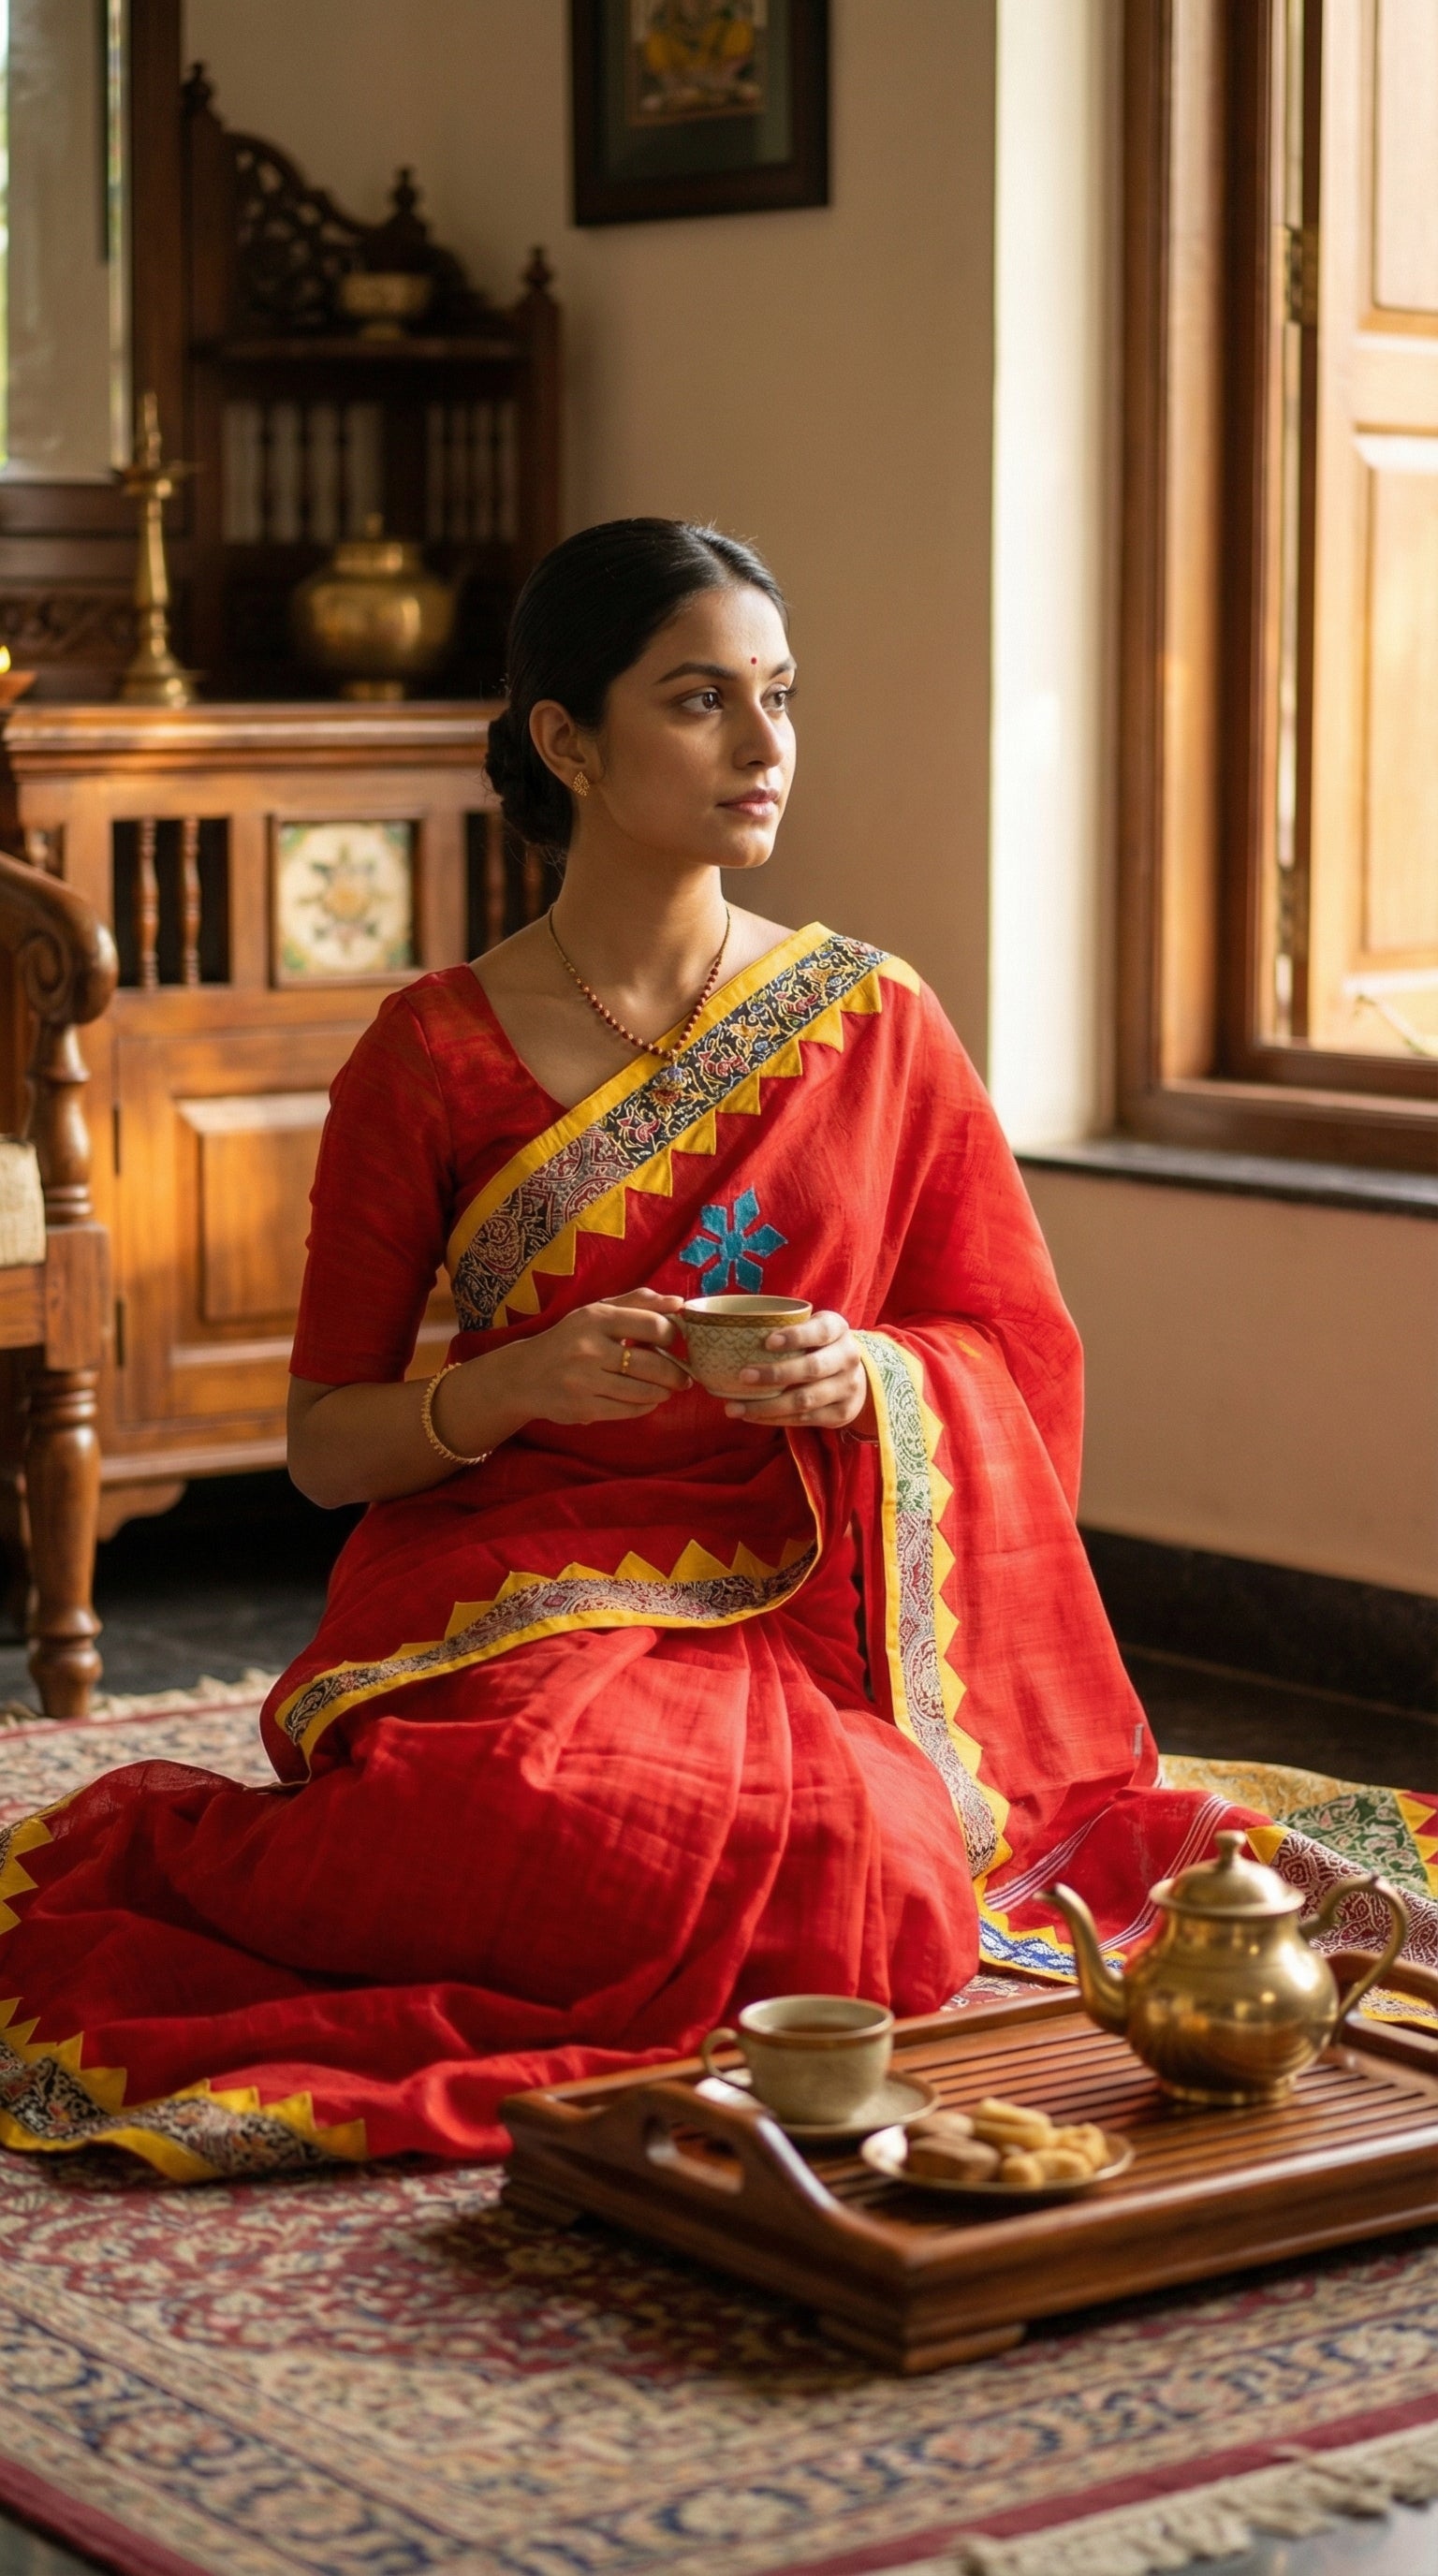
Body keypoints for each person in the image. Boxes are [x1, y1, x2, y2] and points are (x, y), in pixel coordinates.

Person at [0, 520, 1429, 2182]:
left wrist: (869, 1378)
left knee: (866, 1876)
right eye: (702, 701)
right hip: (505, 1582)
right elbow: (328, 1443)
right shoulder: (429, 1056)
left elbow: (1008, 1345)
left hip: (799, 1588)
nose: (766, 749)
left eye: (780, 697)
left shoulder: (875, 1020)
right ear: (568, 740)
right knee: (520, 1822)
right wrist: (505, 1387)